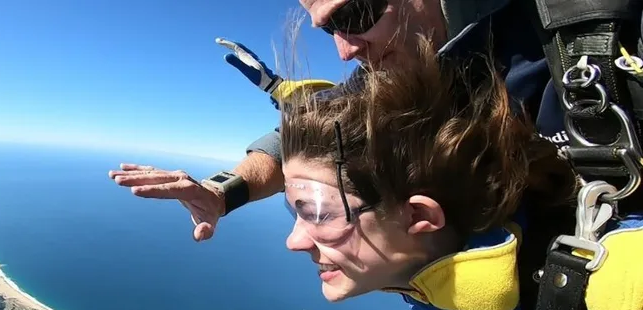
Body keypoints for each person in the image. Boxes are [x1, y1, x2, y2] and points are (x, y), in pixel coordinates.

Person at [275, 37, 643, 310]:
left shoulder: (616, 293)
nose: (293, 241)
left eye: (319, 214)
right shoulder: (425, 266)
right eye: (295, 211)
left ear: (419, 216)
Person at [109, 0, 559, 243]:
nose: (345, 50)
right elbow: (305, 137)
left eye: (353, 16)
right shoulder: (394, 72)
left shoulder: (580, 39)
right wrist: (222, 192)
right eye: (330, 30)